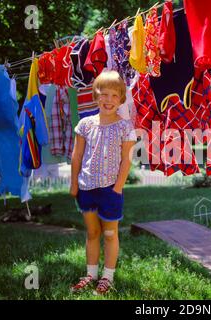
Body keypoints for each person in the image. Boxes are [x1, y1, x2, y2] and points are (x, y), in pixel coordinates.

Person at [70, 70, 137, 295]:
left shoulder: (125, 127)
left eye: (114, 96)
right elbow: (77, 156)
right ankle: (90, 274)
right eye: (104, 94)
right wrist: (74, 184)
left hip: (110, 189)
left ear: (121, 99)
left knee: (110, 234)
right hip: (86, 187)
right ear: (95, 96)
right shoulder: (85, 124)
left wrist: (118, 187)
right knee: (92, 233)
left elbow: (126, 162)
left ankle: (107, 277)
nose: (108, 100)